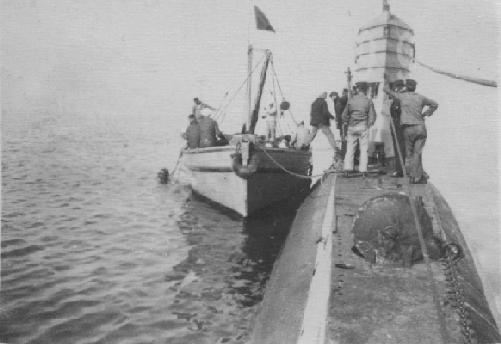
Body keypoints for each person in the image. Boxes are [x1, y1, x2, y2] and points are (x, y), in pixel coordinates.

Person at [383, 78, 438, 184]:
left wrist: (386, 80)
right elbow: (435, 104)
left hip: (408, 129)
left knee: (409, 154)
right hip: (421, 128)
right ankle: (418, 175)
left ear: (406, 87)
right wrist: (426, 113)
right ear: (414, 87)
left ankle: (413, 176)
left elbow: (386, 90)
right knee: (417, 153)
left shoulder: (402, 96)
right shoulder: (421, 97)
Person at [341, 82, 376, 175]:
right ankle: (363, 170)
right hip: (363, 126)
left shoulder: (351, 100)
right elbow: (372, 117)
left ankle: (347, 169)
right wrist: (368, 124)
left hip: (352, 127)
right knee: (364, 149)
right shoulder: (368, 101)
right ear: (366, 90)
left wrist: (348, 121)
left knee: (350, 148)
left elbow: (344, 116)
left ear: (357, 90)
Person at [309, 92, 341, 168]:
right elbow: (325, 112)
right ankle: (335, 149)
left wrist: (313, 121)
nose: (326, 96)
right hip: (322, 122)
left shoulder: (313, 103)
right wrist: (332, 117)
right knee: (329, 135)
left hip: (314, 122)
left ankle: (304, 144)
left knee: (312, 134)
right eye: (325, 95)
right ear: (322, 95)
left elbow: (311, 113)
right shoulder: (323, 102)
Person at [388, 79, 406, 177]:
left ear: (397, 87)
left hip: (398, 126)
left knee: (399, 148)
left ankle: (400, 171)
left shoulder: (399, 97)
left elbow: (396, 112)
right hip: (405, 125)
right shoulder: (407, 95)